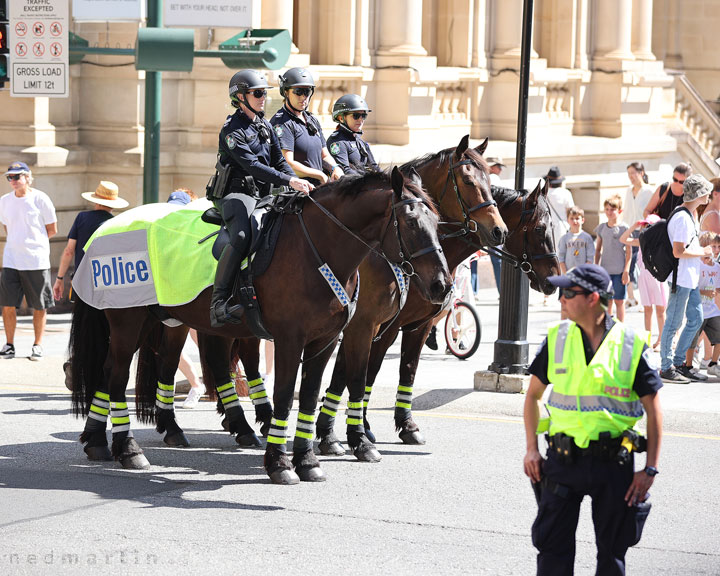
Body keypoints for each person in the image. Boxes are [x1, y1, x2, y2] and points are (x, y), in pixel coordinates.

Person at [523, 263, 663, 576]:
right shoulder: (558, 338)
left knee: (612, 556)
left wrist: (650, 468)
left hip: (613, 465)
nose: (561, 299)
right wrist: (532, 448)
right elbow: (532, 396)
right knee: (552, 552)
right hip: (562, 461)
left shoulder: (630, 344)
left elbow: (654, 410)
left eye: (568, 293)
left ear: (592, 298)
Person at [207, 69, 312, 327]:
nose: (263, 97)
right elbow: (252, 165)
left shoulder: (264, 125)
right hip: (234, 193)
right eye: (257, 93)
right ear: (240, 97)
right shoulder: (232, 131)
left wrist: (295, 183)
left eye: (264, 93)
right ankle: (218, 302)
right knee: (242, 235)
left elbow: (278, 160)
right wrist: (288, 180)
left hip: (261, 194)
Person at [658, 174, 714, 383]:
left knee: (695, 319)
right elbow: (678, 251)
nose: (708, 194)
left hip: (688, 279)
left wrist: (702, 256)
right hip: (680, 280)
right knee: (673, 323)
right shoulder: (682, 217)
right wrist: (703, 252)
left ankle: (680, 363)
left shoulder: (690, 215)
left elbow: (686, 248)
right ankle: (666, 367)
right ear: (699, 194)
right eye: (706, 192)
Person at [0, 161, 57, 361]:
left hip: (36, 261)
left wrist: (34, 244)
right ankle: (9, 345)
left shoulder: (41, 199)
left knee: (39, 305)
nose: (13, 180)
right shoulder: (4, 201)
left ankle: (38, 345)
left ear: (28, 177)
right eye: (10, 177)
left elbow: (52, 229)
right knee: (7, 304)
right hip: (11, 260)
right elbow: (8, 227)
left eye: (17, 176)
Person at [53, 181, 128, 303]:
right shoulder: (116, 223)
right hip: (106, 282)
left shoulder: (82, 217)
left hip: (82, 281)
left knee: (81, 320)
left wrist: (59, 278)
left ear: (96, 200)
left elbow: (68, 251)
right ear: (113, 204)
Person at [270, 67, 344, 186]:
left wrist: (335, 168)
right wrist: (320, 175)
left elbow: (324, 154)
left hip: (318, 186)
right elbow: (288, 163)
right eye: (298, 91)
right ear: (286, 92)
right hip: (295, 189)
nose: (303, 97)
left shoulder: (311, 119)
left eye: (307, 92)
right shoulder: (282, 123)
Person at [619, 215, 667, 350]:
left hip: (658, 278)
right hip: (644, 278)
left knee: (660, 310)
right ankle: (647, 339)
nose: (647, 229)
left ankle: (661, 340)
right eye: (645, 226)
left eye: (650, 226)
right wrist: (634, 226)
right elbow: (623, 239)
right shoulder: (641, 241)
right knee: (647, 309)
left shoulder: (661, 242)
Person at [683, 232, 720, 376]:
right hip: (697, 309)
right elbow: (692, 288)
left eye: (718, 246)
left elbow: (717, 288)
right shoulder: (696, 265)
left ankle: (713, 363)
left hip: (712, 310)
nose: (716, 250)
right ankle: (689, 365)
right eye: (712, 246)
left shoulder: (717, 267)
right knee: (692, 339)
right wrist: (704, 292)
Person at [594, 194, 631, 321]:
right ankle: (607, 327)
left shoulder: (624, 228)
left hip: (619, 271)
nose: (609, 212)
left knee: (619, 302)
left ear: (619, 211)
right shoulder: (602, 228)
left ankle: (621, 327)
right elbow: (598, 250)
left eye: (613, 209)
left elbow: (628, 252)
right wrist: (596, 267)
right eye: (607, 209)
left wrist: (626, 270)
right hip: (605, 271)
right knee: (607, 302)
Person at [326, 94, 380, 175]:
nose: (361, 119)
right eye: (356, 116)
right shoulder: (337, 142)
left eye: (364, 115)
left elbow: (373, 166)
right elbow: (345, 171)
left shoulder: (359, 140)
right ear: (341, 118)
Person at [624, 162, 654, 307]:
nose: (631, 176)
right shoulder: (628, 191)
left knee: (643, 265)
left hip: (644, 232)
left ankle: (644, 301)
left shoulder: (649, 191)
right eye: (629, 173)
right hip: (630, 230)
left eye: (633, 173)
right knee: (628, 262)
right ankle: (631, 297)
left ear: (641, 173)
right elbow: (627, 212)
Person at [557, 206, 594, 319]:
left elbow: (590, 259)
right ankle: (564, 326)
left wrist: (582, 274)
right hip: (568, 277)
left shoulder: (587, 238)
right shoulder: (564, 238)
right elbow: (561, 258)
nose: (575, 221)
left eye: (577, 218)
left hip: (582, 277)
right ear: (568, 220)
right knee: (565, 304)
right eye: (572, 218)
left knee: (581, 303)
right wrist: (566, 273)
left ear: (583, 220)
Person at [486, 157, 507, 293]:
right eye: (498, 166)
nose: (500, 170)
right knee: (498, 258)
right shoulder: (494, 178)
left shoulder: (483, 177)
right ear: (492, 167)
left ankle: (474, 291)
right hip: (492, 223)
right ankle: (502, 290)